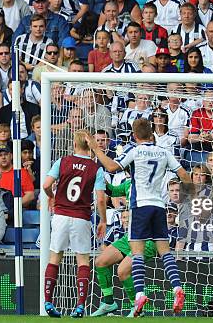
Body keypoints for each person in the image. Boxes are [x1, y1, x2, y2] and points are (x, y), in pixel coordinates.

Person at [86, 119, 191, 316]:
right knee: (166, 253)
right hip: (159, 207)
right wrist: (190, 197)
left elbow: (111, 167)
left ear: (135, 136)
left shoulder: (134, 151)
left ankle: (139, 295)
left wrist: (95, 148)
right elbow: (184, 175)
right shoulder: (164, 152)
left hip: (140, 208)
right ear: (152, 134)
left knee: (137, 255)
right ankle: (177, 288)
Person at [42, 129, 107, 318]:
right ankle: (79, 306)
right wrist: (102, 220)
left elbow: (46, 185)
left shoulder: (62, 162)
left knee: (55, 258)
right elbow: (101, 199)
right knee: (83, 262)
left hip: (61, 215)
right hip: (81, 218)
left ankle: (48, 301)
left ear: (74, 144)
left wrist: (51, 197)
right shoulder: (96, 168)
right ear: (90, 145)